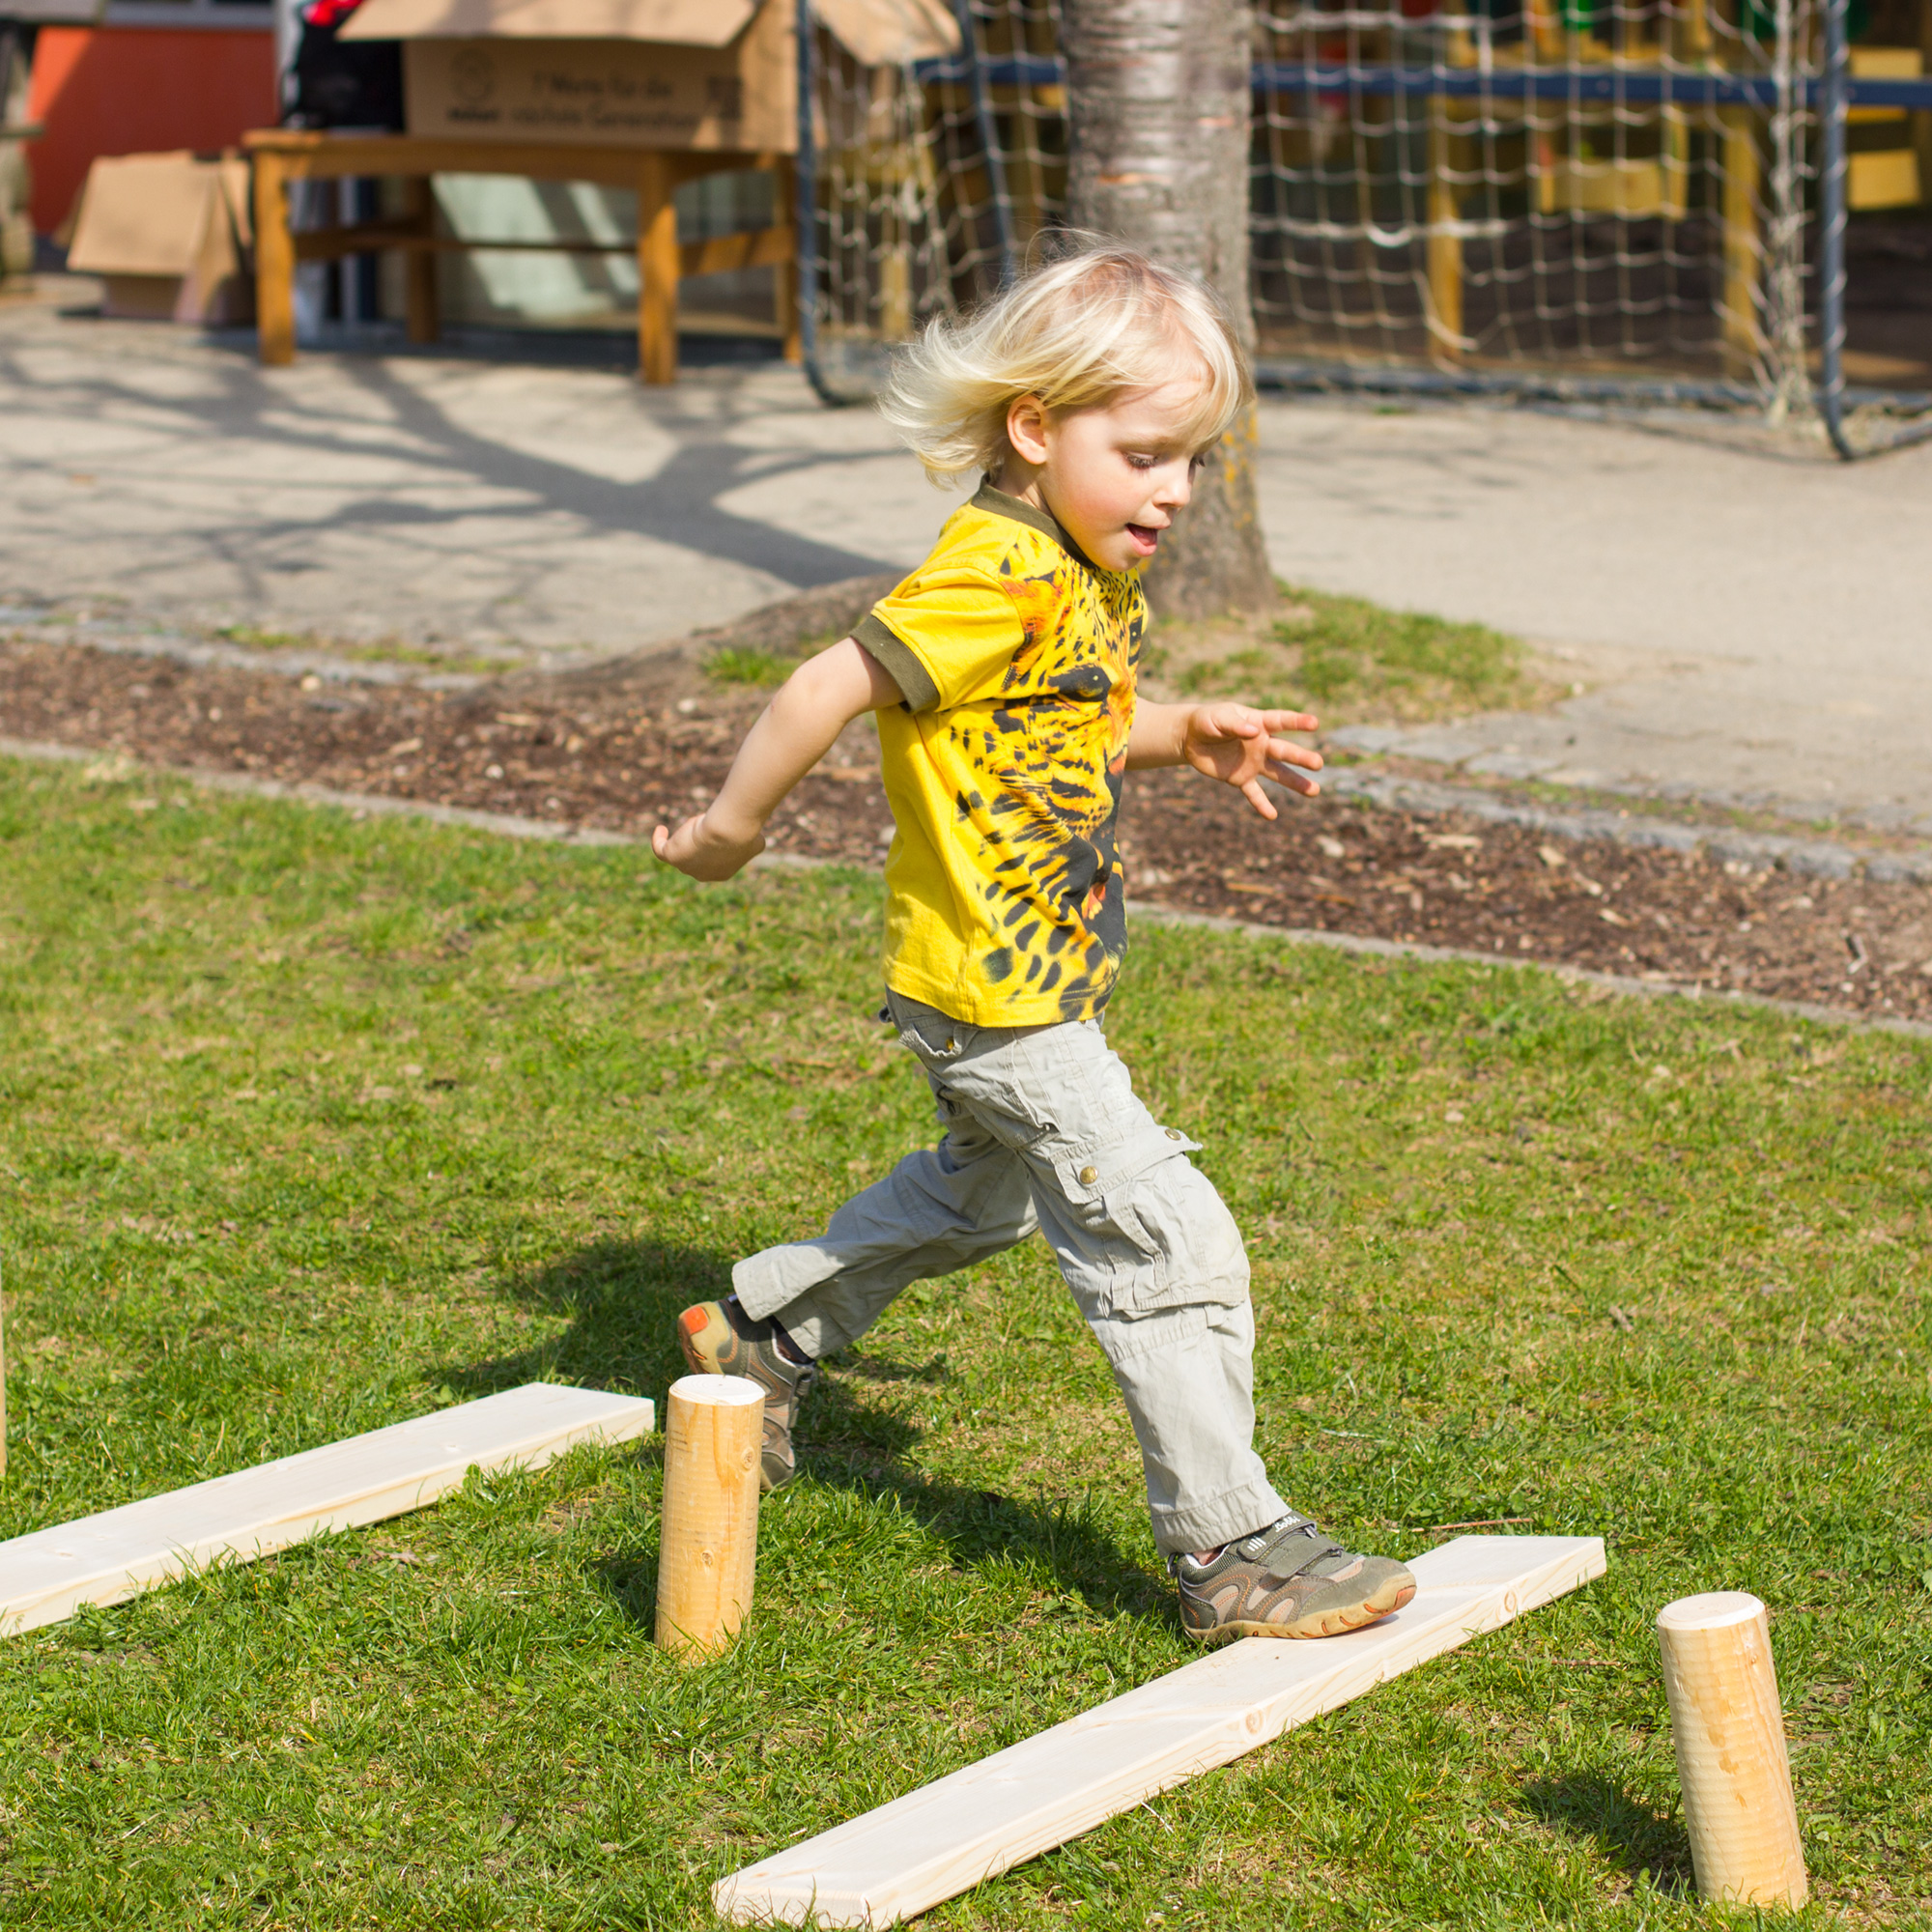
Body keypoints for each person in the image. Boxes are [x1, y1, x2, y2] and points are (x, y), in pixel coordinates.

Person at [652, 243, 1414, 1643]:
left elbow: (1058, 719)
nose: (1175, 490)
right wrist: (729, 831)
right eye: (1146, 455)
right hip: (999, 1001)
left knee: (972, 1206)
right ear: (1034, 430)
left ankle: (763, 1334)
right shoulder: (995, 571)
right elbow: (833, 680)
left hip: (1021, 979)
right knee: (1161, 1238)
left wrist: (1188, 732)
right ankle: (1233, 1548)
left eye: (1192, 459)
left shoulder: (1071, 568)